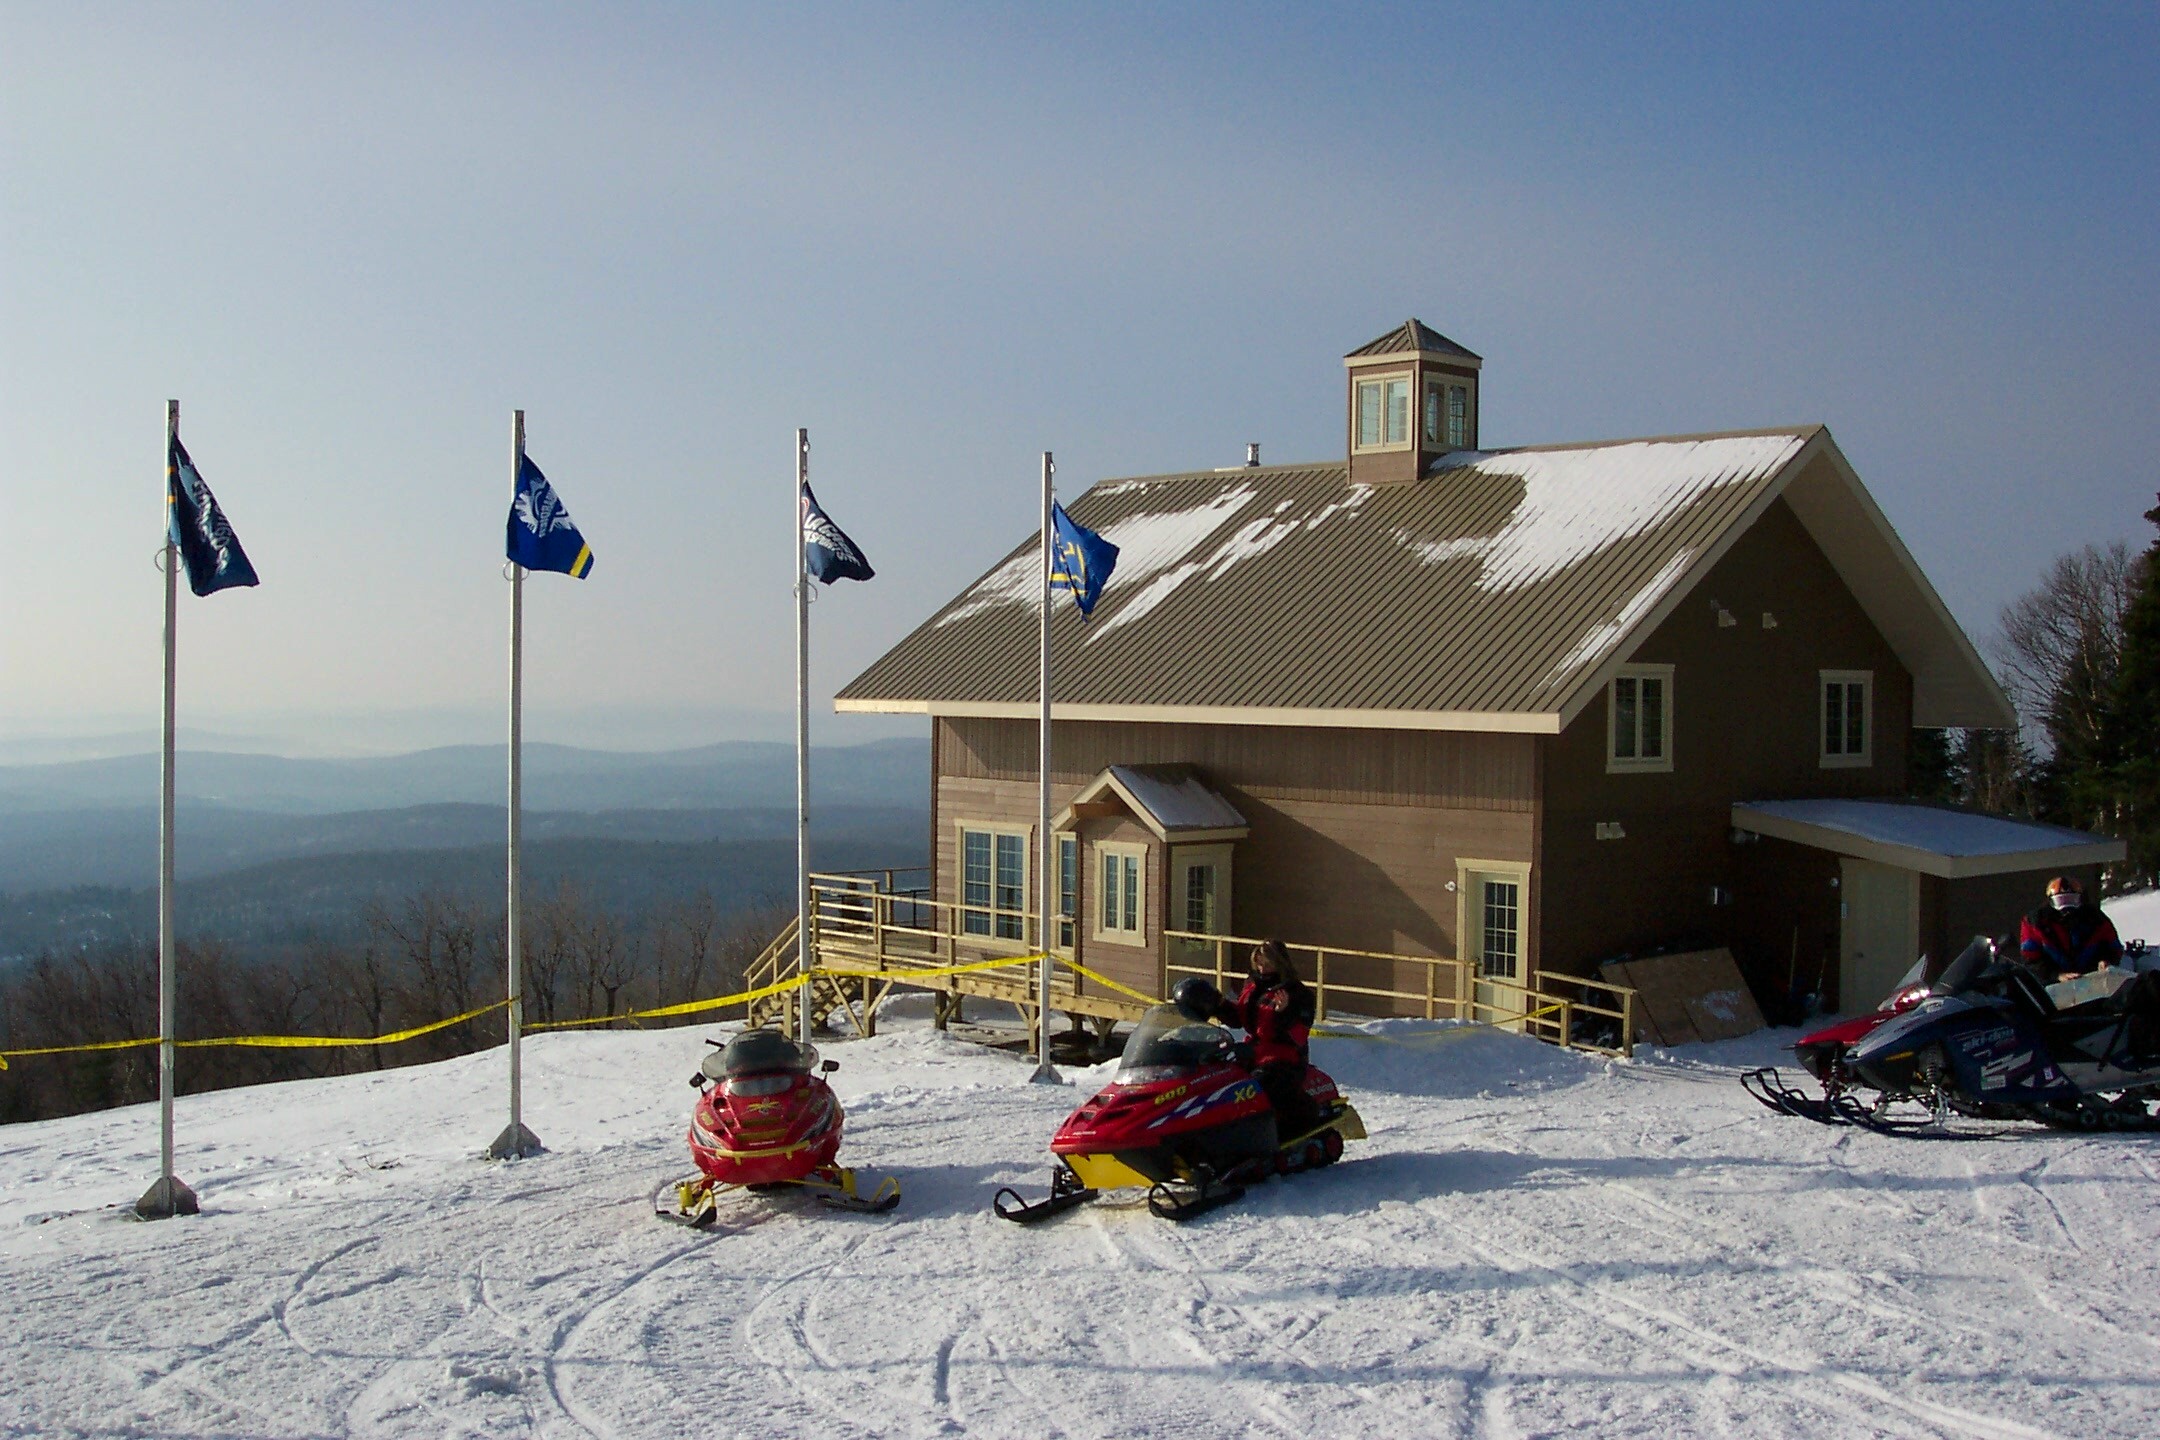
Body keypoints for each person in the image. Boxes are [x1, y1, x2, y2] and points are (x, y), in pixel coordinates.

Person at [1215, 938, 1318, 1133]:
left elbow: (1299, 1034)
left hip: (1284, 1056)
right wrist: (1218, 1005)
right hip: (1253, 1050)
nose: (1262, 968)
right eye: (1258, 963)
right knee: (1219, 1078)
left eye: (1266, 963)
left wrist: (1283, 1013)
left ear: (1279, 963)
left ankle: (1283, 1125)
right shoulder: (1253, 985)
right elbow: (1240, 1017)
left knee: (1255, 1088)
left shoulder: (1297, 993)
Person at [2018, 876, 2124, 984]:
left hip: (2094, 979)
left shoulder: (2096, 918)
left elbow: (2114, 947)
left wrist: (2106, 961)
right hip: (2054, 986)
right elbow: (2030, 959)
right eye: (2060, 900)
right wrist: (2056, 975)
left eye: (2071, 899)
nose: (2066, 906)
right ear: (2051, 900)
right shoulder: (2035, 922)